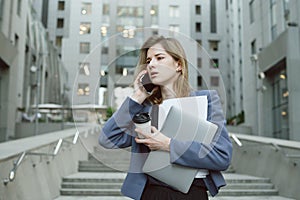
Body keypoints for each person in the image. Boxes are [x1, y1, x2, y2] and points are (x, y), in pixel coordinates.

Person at [99, 35, 232, 200]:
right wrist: (138, 95)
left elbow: (222, 156)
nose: (152, 65)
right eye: (148, 61)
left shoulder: (206, 101)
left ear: (178, 65)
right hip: (151, 193)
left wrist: (168, 145)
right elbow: (107, 138)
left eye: (159, 58)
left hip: (192, 194)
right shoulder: (145, 110)